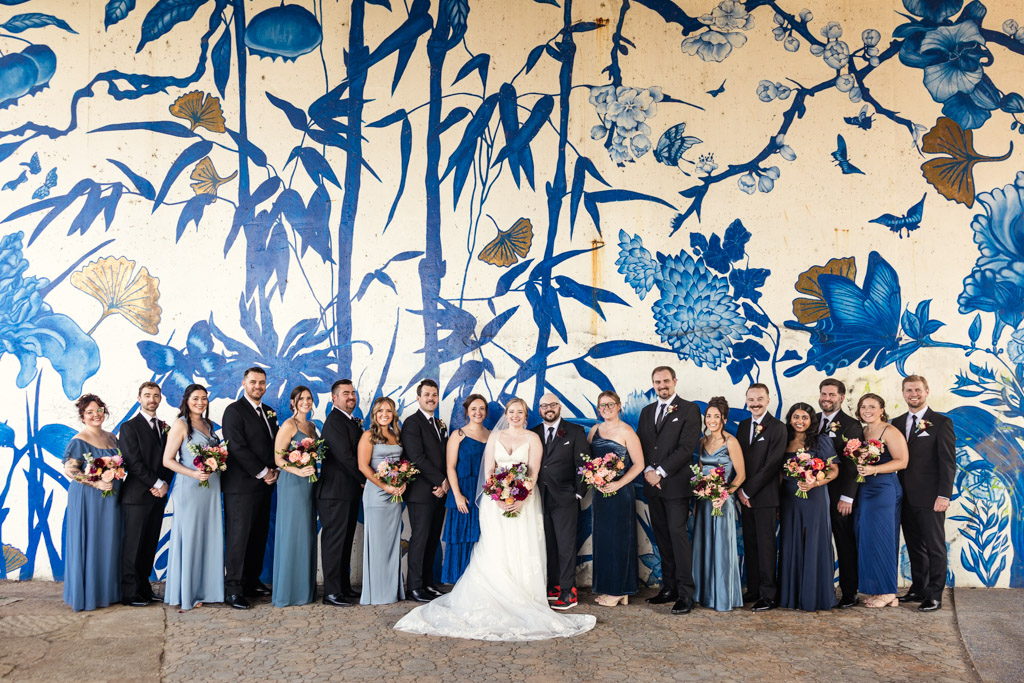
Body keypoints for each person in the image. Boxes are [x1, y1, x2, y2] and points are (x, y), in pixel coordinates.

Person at [393, 399, 596, 640]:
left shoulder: (533, 438)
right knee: (496, 547)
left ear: (526, 415)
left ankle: (524, 594)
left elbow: (533, 471)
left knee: (522, 545)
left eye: (520, 412)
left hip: (525, 502)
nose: (516, 416)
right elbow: (489, 471)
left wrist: (521, 496)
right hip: (495, 503)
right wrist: (498, 496)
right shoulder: (494, 436)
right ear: (506, 414)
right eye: (512, 412)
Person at [638, 366, 701, 615]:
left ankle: (686, 594)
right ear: (653, 384)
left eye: (666, 381)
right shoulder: (646, 412)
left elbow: (686, 448)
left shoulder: (689, 409)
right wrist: (648, 473)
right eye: (657, 382)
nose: (662, 385)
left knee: (678, 535)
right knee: (662, 537)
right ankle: (669, 587)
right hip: (653, 487)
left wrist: (660, 472)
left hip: (675, 485)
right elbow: (643, 446)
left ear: (675, 381)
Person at [894, 375, 956, 612]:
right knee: (913, 545)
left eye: (918, 390)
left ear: (927, 391)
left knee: (935, 546)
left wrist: (944, 495)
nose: (914, 394)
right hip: (903, 497)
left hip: (931, 497)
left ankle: (935, 594)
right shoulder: (897, 422)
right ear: (903, 393)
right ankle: (919, 587)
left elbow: (948, 462)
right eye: (909, 390)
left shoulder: (941, 422)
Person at [161, 384, 224, 610]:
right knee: (190, 537)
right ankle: (187, 592)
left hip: (211, 487)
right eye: (196, 398)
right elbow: (167, 460)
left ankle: (207, 589)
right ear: (186, 400)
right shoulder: (181, 424)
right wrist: (193, 473)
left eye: (204, 398)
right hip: (190, 487)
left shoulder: (209, 424)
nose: (200, 402)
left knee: (209, 536)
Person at [221, 367, 279, 610]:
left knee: (258, 535)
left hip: (265, 486)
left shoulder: (268, 412)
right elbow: (237, 446)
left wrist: (276, 470)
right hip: (241, 486)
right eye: (253, 382)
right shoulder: (234, 411)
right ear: (244, 383)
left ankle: (250, 580)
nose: (258, 386)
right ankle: (233, 589)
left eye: (262, 382)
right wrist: (264, 472)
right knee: (238, 538)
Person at [62, 394, 122, 611]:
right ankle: (88, 594)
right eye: (90, 412)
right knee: (91, 540)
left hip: (112, 496)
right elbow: (71, 470)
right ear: (82, 416)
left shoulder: (112, 438)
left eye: (98, 410)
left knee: (109, 540)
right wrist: (96, 484)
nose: (95, 415)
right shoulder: (79, 440)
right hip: (88, 497)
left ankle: (108, 591)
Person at [778, 402, 838, 612]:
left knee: (814, 540)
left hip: (815, 497)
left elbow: (834, 470)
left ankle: (815, 595)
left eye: (804, 417)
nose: (800, 421)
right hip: (789, 498)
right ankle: (791, 596)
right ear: (790, 418)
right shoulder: (783, 439)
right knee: (790, 540)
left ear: (811, 419)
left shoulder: (820, 441)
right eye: (796, 417)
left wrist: (816, 483)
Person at [532, 393, 590, 610]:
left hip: (565, 498)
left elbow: (583, 464)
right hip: (539, 497)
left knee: (566, 545)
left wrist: (578, 493)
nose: (548, 408)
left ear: (559, 407)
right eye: (544, 405)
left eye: (552, 405)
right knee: (547, 543)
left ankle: (569, 591)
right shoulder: (533, 433)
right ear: (539, 409)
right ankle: (554, 586)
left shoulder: (575, 431)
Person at [588, 390, 645, 607]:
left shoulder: (627, 431)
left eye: (610, 404)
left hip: (620, 493)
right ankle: (609, 587)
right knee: (604, 540)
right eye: (602, 405)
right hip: (600, 494)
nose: (606, 409)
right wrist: (594, 479)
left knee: (620, 540)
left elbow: (639, 464)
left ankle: (620, 590)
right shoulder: (594, 430)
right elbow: (589, 463)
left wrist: (618, 483)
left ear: (619, 406)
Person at [118, 381, 171, 606]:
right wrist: (157, 482)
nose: (152, 399)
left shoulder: (164, 427)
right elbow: (132, 461)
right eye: (147, 395)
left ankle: (144, 588)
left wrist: (165, 484)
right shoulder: (129, 427)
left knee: (149, 544)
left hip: (157, 496)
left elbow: (169, 459)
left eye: (156, 395)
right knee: (133, 547)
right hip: (136, 497)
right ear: (139, 398)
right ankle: (130, 594)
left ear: (160, 399)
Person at [854, 393, 908, 608]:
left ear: (882, 409)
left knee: (883, 538)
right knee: (869, 540)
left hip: (883, 489)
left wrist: (874, 468)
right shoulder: (863, 431)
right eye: (863, 406)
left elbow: (902, 461)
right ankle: (878, 589)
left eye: (872, 406)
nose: (867, 410)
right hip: (865, 489)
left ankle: (888, 593)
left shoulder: (890, 431)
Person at [737, 383, 787, 612]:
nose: (755, 403)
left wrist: (748, 491)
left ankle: (769, 595)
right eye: (751, 399)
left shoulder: (778, 428)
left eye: (759, 399)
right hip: (744, 497)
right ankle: (755, 589)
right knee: (751, 544)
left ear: (768, 400)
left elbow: (771, 465)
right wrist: (739, 489)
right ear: (746, 401)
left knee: (767, 546)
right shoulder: (744, 425)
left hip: (764, 497)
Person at [692, 396, 745, 612]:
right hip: (704, 502)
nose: (711, 420)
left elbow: (741, 475)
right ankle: (704, 593)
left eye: (716, 416)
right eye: (708, 416)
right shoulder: (702, 442)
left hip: (722, 502)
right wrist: (698, 497)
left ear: (724, 418)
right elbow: (699, 473)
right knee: (704, 546)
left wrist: (724, 494)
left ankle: (722, 596)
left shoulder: (730, 441)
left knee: (722, 548)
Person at [817, 378, 864, 609]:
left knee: (844, 543)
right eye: (824, 394)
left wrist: (848, 496)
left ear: (842, 398)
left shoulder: (851, 425)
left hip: (839, 496)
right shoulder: (812, 420)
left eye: (832, 395)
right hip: (814, 494)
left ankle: (849, 592)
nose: (827, 399)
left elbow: (854, 464)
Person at [317, 379, 365, 606]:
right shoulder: (334, 421)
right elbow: (346, 457)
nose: (351, 397)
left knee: (345, 541)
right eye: (346, 393)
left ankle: (343, 586)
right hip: (334, 494)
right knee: (334, 542)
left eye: (353, 393)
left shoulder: (349, 421)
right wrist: (366, 479)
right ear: (334, 397)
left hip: (348, 492)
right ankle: (331, 592)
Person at [271, 386, 319, 607]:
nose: (306, 402)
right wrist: (298, 470)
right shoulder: (288, 425)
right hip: (292, 482)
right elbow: (278, 459)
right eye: (301, 399)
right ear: (293, 402)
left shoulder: (311, 426)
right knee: (292, 532)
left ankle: (304, 591)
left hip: (309, 484)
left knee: (306, 533)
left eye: (309, 399)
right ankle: (288, 592)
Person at [402, 380, 449, 602]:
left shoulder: (438, 424)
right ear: (418, 397)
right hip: (421, 492)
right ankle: (414, 587)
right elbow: (416, 457)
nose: (431, 398)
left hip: (439, 491)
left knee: (432, 539)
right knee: (419, 538)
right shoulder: (412, 423)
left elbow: (442, 457)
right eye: (427, 394)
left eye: (434, 394)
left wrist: (443, 484)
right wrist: (441, 480)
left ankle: (428, 583)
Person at [358, 397, 406, 605]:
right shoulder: (368, 436)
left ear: (393, 414)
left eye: (388, 411)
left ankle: (391, 591)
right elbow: (363, 466)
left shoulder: (397, 435)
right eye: (380, 411)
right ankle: (377, 592)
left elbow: (403, 464)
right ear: (375, 414)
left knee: (392, 542)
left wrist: (402, 483)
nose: (385, 414)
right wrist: (385, 486)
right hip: (377, 495)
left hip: (395, 495)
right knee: (377, 543)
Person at [441, 394, 489, 584]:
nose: (478, 412)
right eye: (474, 409)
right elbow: (450, 467)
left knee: (481, 537)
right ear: (467, 412)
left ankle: (478, 583)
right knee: (461, 536)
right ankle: (460, 582)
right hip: (463, 492)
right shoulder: (458, 435)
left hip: (484, 493)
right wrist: (458, 495)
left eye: (481, 409)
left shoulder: (491, 434)